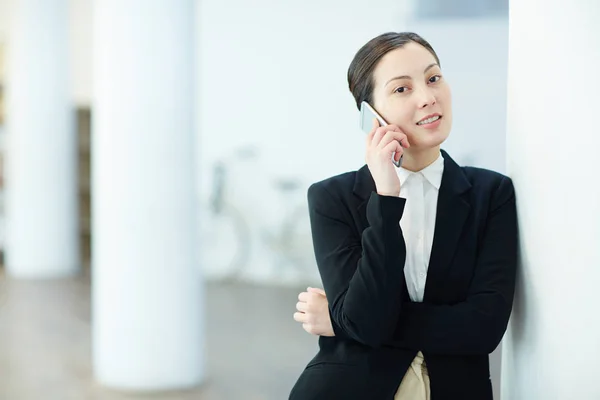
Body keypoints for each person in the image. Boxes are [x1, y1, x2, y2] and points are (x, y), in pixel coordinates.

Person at [288, 32, 518, 400]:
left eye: (433, 78)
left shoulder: (492, 194)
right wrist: (386, 196)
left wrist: (340, 321)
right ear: (370, 116)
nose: (428, 98)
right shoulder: (331, 198)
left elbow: (483, 328)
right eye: (401, 89)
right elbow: (365, 321)